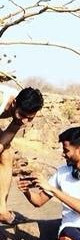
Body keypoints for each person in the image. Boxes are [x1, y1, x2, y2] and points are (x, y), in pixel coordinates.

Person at [0, 85, 45, 224]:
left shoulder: (21, 111)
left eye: (30, 118)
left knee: (7, 154)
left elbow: (6, 138)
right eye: (22, 115)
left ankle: (1, 210)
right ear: (14, 103)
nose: (24, 121)